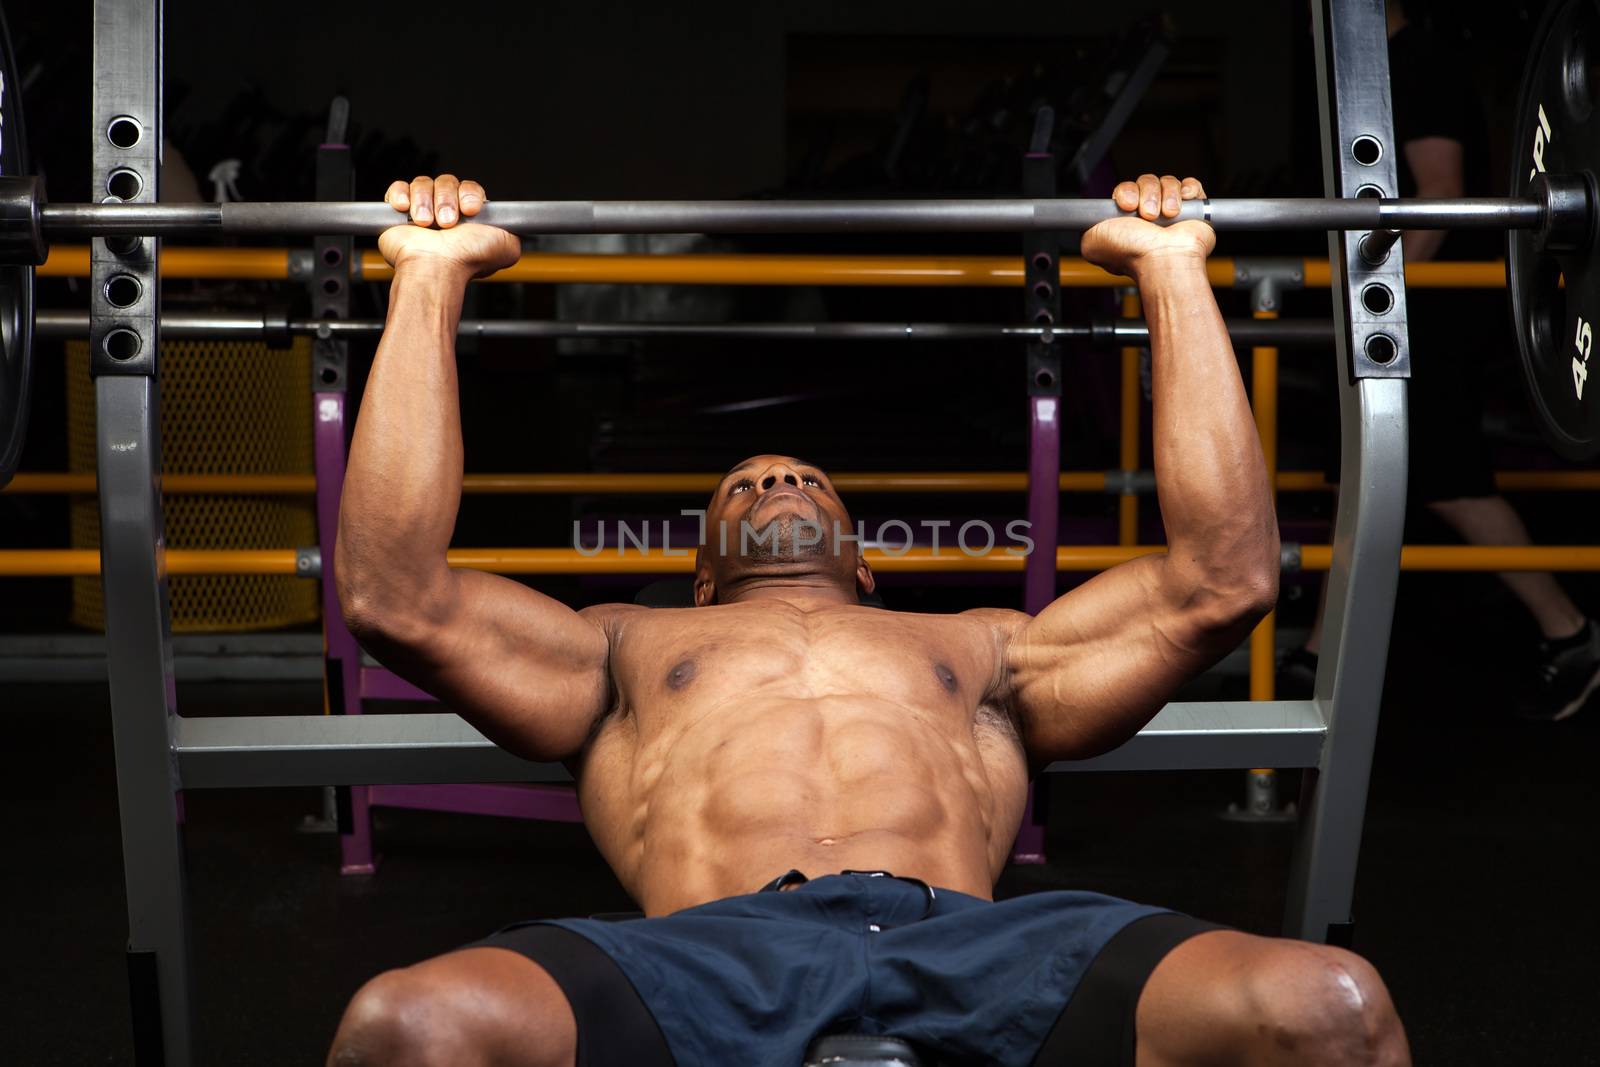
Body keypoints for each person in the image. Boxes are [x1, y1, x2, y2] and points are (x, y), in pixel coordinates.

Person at [325, 172, 1409, 1067]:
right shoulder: (622, 645)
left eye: (801, 477)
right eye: (743, 486)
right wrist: (428, 278)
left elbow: (1221, 579)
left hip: (980, 938)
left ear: (865, 563)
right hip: (715, 948)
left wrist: (1170, 269)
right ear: (699, 578)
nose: (777, 482)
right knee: (405, 1026)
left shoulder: (980, 645)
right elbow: (390, 591)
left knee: (1332, 1004)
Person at [1281, 0, 1600, 721]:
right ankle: (1314, 652)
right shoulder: (1371, 69)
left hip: (1422, 320)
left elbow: (1441, 192)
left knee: (1450, 481)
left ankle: (1571, 631)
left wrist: (1380, 305)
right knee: (1356, 479)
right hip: (1403, 318)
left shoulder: (1417, 61)